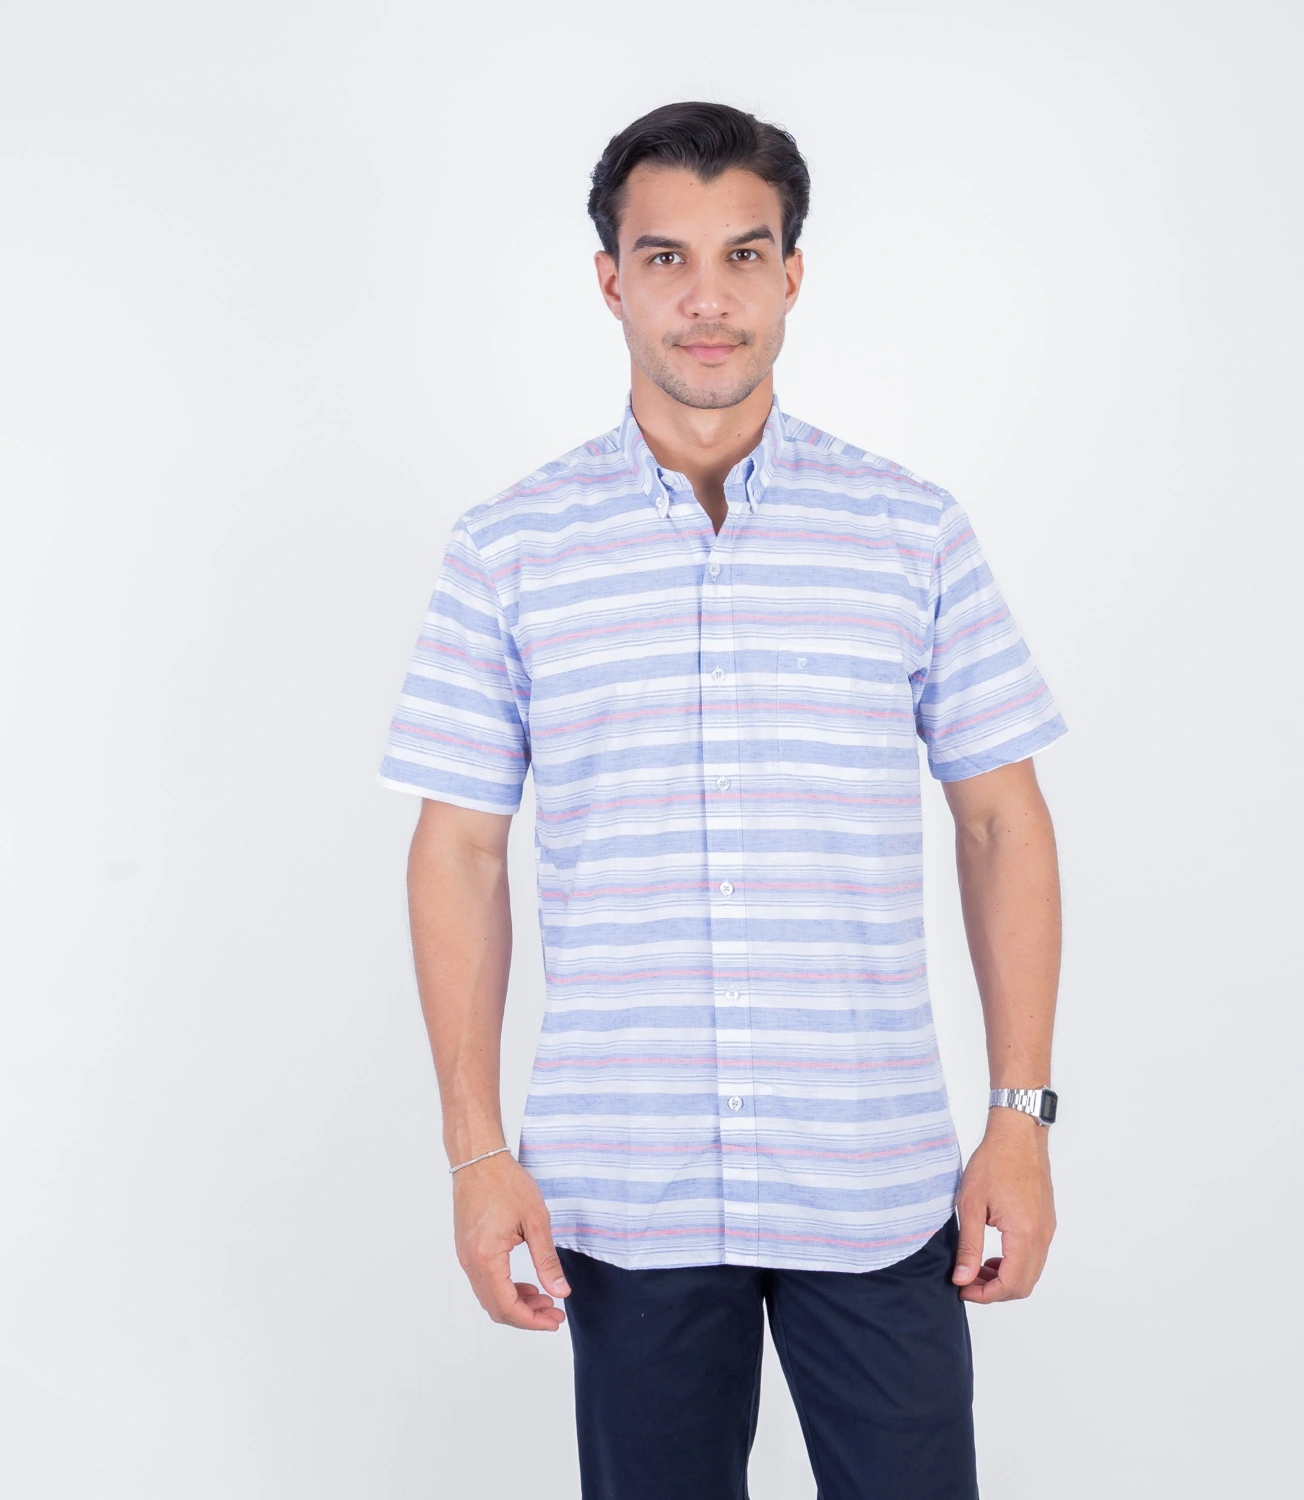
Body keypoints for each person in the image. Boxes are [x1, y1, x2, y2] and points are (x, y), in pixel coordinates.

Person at [377, 99, 1067, 1500]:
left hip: (870, 1179)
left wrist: (1022, 1116)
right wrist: (475, 1153)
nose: (708, 299)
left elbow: (1003, 820)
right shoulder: (509, 550)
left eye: (744, 255)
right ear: (611, 281)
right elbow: (459, 855)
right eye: (667, 257)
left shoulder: (908, 530)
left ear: (791, 274)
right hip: (625, 1189)